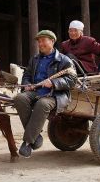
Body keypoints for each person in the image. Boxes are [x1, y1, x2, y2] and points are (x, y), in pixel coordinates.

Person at [13, 30, 78, 158]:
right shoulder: (35, 59)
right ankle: (36, 136)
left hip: (55, 95)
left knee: (42, 104)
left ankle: (28, 142)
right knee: (19, 98)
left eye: (43, 40)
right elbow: (27, 75)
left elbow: (72, 80)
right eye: (39, 41)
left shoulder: (64, 60)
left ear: (52, 41)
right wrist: (26, 84)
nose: (40, 44)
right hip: (35, 91)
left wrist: (54, 83)